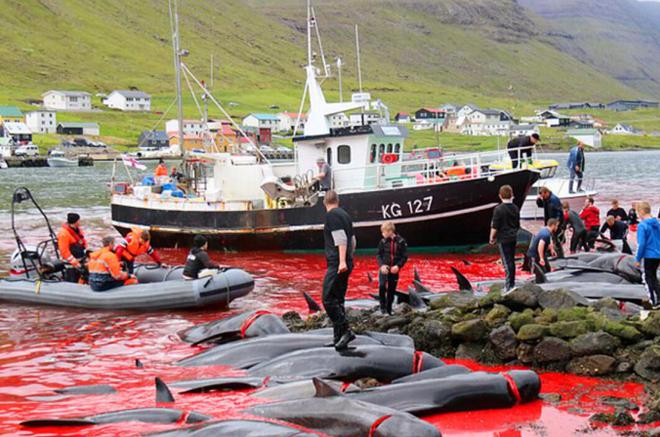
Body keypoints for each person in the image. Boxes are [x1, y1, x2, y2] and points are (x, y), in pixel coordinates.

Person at [322, 190, 356, 350]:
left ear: (324, 202)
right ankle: (338, 338)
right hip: (346, 260)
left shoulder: (332, 216)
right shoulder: (345, 215)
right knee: (338, 299)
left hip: (337, 263)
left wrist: (342, 261)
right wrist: (349, 259)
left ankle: (346, 330)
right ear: (338, 200)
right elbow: (353, 240)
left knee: (327, 299)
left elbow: (340, 238)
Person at [489, 185, 520, 291]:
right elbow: (517, 224)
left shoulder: (498, 209)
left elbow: (495, 226)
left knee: (506, 262)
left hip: (503, 239)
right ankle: (512, 283)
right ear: (511, 195)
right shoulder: (515, 208)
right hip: (513, 237)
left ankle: (508, 286)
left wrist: (491, 237)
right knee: (511, 261)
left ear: (500, 196)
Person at [376, 221, 408, 315]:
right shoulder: (382, 242)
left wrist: (398, 266)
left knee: (391, 290)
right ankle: (382, 307)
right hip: (384, 268)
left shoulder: (401, 241)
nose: (382, 234)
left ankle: (389, 309)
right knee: (382, 286)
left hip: (394, 269)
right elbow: (378, 254)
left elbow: (404, 256)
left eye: (384, 232)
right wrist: (381, 265)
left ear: (390, 231)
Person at [635, 201, 660, 307]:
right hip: (658, 254)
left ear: (641, 211)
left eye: (638, 212)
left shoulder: (642, 225)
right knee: (654, 277)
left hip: (649, 255)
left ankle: (653, 301)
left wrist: (638, 259)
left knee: (647, 277)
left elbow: (642, 244)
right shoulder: (657, 223)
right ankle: (658, 298)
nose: (638, 215)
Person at [57, 212, 88, 282]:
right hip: (71, 264)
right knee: (72, 279)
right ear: (76, 221)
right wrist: (75, 263)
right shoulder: (64, 234)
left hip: (80, 259)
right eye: (79, 220)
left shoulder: (77, 230)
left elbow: (83, 241)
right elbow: (64, 252)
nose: (80, 222)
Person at [537, 187, 564, 258]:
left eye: (543, 195)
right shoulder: (546, 199)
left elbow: (559, 211)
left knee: (555, 239)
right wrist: (538, 200)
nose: (543, 197)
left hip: (554, 223)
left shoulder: (554, 199)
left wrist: (557, 222)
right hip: (549, 222)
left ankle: (558, 254)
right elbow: (540, 205)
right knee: (551, 238)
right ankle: (553, 253)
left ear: (546, 192)